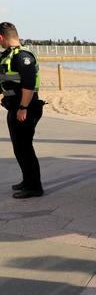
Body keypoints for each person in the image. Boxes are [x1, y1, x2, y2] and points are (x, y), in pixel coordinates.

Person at [0, 22, 44, 199]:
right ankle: (27, 181)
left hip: (26, 108)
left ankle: (34, 187)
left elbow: (29, 84)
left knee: (25, 148)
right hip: (15, 108)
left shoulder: (22, 56)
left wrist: (23, 108)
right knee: (19, 148)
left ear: (1, 37)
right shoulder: (9, 55)